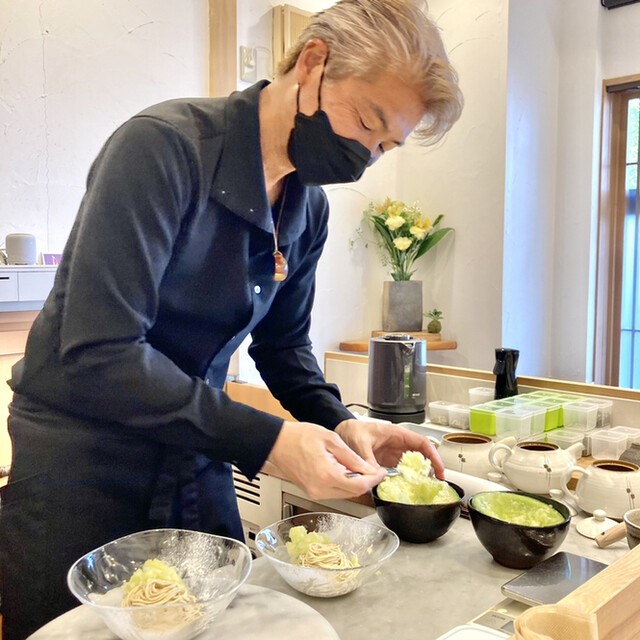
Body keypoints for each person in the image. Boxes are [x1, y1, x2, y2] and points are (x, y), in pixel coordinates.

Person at [0, 0, 463, 637]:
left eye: (384, 146)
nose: (363, 154)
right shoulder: (163, 149)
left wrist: (342, 423)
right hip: (83, 462)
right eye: (365, 121)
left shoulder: (307, 209)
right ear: (313, 63)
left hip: (198, 448)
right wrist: (270, 443)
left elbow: (283, 346)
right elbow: (101, 350)